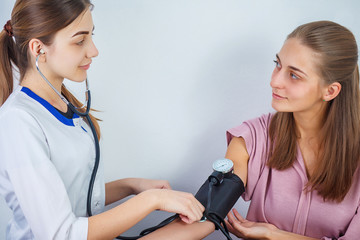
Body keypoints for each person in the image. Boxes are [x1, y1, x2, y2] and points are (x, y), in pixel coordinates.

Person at [0, 0, 205, 239]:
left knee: (198, 227)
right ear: (38, 49)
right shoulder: (18, 122)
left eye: (91, 36)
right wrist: (152, 200)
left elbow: (74, 195)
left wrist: (131, 186)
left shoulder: (63, 105)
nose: (94, 50)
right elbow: (60, 234)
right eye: (80, 40)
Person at [143, 21, 360, 240]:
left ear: (330, 91)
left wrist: (274, 235)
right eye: (278, 64)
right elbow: (207, 215)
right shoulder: (253, 138)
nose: (274, 81)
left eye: (294, 75)